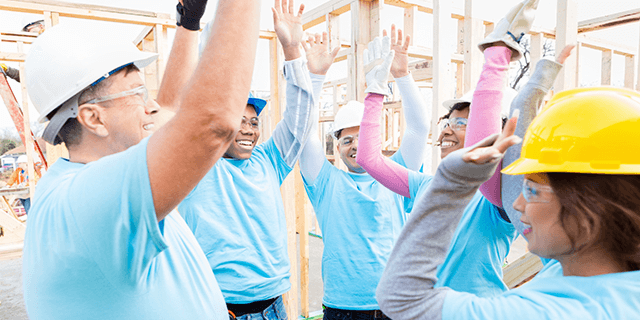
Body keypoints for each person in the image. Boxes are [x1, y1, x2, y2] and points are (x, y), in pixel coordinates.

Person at [21, 0, 261, 318]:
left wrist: (189, 23)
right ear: (94, 118)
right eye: (137, 94)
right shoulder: (84, 201)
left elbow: (171, 112)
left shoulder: (95, 176)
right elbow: (212, 125)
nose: (151, 107)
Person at [376, 86, 640, 319]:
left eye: (533, 190)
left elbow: (402, 298)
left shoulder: (543, 311)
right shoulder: (576, 272)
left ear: (591, 206)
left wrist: (454, 183)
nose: (518, 203)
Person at [358, 0, 545, 298]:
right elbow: (368, 158)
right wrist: (375, 91)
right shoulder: (428, 186)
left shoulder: (497, 195)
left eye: (462, 123)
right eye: (448, 121)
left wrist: (497, 57)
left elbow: (480, 152)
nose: (446, 128)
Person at [177, 1, 313, 319]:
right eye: (238, 119)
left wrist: (293, 50)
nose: (248, 129)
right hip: (218, 308)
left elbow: (300, 120)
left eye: (254, 122)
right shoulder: (198, 165)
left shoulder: (267, 161)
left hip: (274, 306)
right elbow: (188, 107)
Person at [299, 24, 430, 319]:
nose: (355, 146)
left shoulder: (397, 174)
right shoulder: (325, 182)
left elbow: (420, 128)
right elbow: (304, 134)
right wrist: (316, 76)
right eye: (347, 140)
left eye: (362, 137)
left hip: (393, 303)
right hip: (343, 308)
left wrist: (402, 74)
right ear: (337, 146)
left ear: (377, 138)